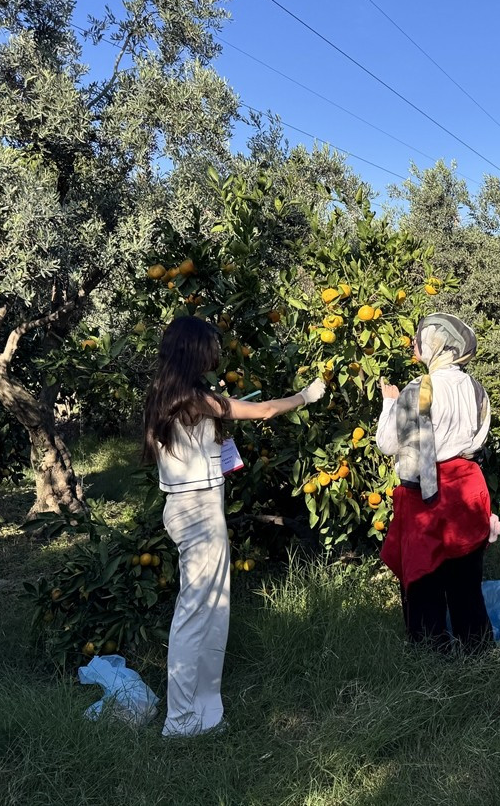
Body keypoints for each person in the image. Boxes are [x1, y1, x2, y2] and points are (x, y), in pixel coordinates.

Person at [142, 315, 325, 738]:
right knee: (196, 613)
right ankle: (182, 719)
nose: (217, 354)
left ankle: (205, 711)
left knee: (212, 609)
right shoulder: (191, 397)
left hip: (191, 507)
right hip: (199, 511)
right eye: (211, 347)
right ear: (193, 351)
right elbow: (261, 411)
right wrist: (303, 396)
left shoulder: (171, 394)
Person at [376, 313, 494, 654]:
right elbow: (476, 441)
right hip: (468, 486)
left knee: (425, 578)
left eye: (420, 339)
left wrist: (388, 403)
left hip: (428, 492)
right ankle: (476, 650)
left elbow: (387, 443)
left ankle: (432, 654)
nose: (416, 345)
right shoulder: (475, 388)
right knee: (466, 579)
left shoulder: (419, 389)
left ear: (436, 344)